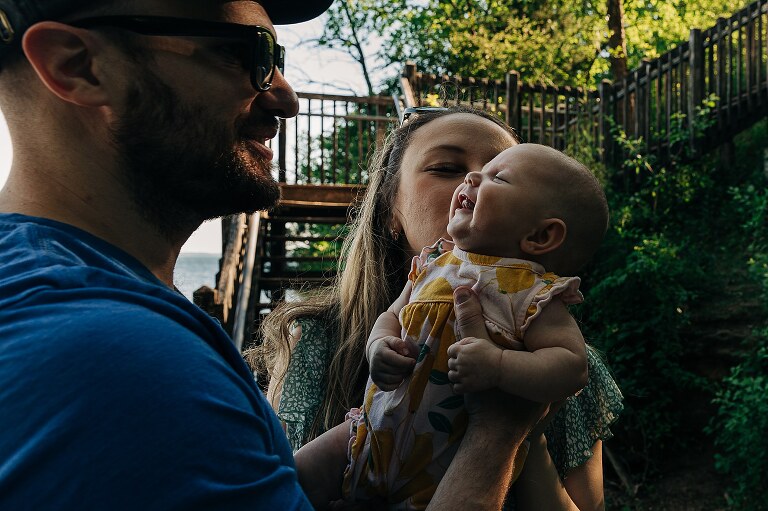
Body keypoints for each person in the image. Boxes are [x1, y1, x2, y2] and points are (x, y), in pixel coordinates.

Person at [0, 2, 544, 509]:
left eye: (276, 60)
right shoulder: (121, 363)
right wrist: (495, 435)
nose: (286, 97)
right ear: (79, 66)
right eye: (245, 54)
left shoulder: (50, 298)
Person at [255, 107, 624, 510]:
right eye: (447, 167)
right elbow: (391, 318)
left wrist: (518, 424)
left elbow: (588, 504)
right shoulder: (321, 338)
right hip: (367, 441)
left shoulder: (537, 316)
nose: (472, 178)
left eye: (500, 174)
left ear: (540, 234)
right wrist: (379, 345)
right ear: (389, 211)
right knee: (288, 485)